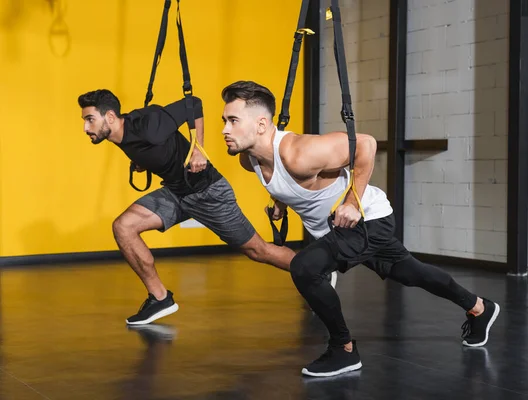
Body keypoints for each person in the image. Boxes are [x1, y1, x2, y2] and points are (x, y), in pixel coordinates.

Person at [219, 80, 501, 378]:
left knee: (304, 266)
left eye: (233, 121)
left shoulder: (300, 153)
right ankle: (479, 307)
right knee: (411, 273)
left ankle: (344, 350)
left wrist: (352, 201)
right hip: (339, 229)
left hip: (367, 219)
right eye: (224, 121)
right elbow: (284, 181)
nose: (224, 129)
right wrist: (280, 202)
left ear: (262, 124)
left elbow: (365, 144)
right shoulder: (248, 160)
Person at [77, 89, 337, 326]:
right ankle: (160, 297)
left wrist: (197, 149)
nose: (86, 128)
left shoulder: (148, 124)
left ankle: (318, 271)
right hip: (177, 192)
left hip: (207, 192)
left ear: (110, 117)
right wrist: (142, 162)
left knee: (258, 250)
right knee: (124, 227)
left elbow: (193, 104)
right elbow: (155, 149)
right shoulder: (125, 135)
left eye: (90, 119)